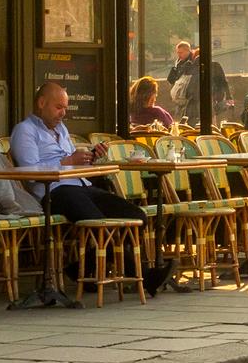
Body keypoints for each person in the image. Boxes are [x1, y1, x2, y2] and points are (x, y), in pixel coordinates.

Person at [10, 82, 174, 295]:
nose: (63, 113)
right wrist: (67, 161)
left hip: (81, 184)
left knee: (136, 215)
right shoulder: (25, 131)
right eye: (58, 107)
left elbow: (73, 163)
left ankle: (81, 268)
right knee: (102, 224)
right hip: (55, 192)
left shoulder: (61, 129)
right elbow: (28, 172)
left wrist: (89, 157)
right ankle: (144, 276)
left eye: (66, 108)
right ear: (42, 103)